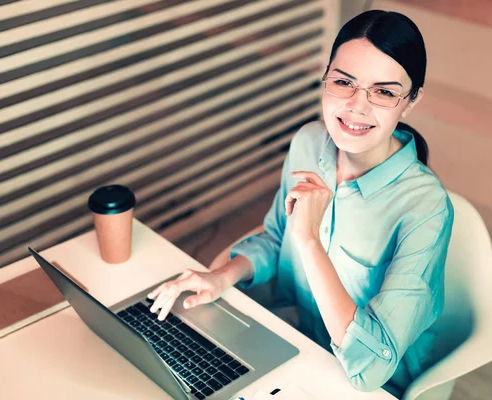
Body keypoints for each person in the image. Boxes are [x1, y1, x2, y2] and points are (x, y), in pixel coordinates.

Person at [147, 9, 454, 397]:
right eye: (344, 82)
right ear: (325, 77)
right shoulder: (309, 143)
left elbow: (371, 367)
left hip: (367, 385)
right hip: (295, 349)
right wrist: (221, 276)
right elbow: (275, 238)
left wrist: (309, 239)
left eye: (384, 91)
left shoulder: (426, 208)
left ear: (410, 101)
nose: (357, 107)